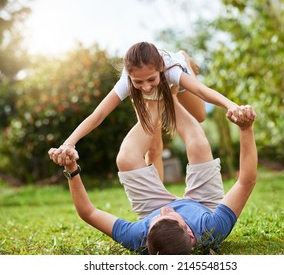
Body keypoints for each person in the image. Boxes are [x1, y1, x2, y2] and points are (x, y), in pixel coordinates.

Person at [48, 97, 257, 255]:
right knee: (198, 145)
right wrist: (246, 129)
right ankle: (170, 95)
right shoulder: (212, 228)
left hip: (151, 210)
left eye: (157, 220)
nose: (166, 209)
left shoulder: (138, 236)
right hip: (204, 206)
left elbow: (88, 213)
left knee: (126, 159)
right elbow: (245, 181)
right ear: (191, 234)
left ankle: (157, 102)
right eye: (170, 216)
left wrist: (72, 169)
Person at [54, 42, 240, 181]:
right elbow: (99, 115)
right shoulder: (128, 81)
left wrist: (231, 105)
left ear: (159, 70)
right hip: (144, 100)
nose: (146, 86)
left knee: (199, 116)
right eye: (138, 81)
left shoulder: (171, 69)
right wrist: (69, 142)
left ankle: (180, 66)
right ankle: (158, 203)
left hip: (174, 79)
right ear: (130, 76)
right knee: (152, 146)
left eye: (150, 79)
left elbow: (202, 91)